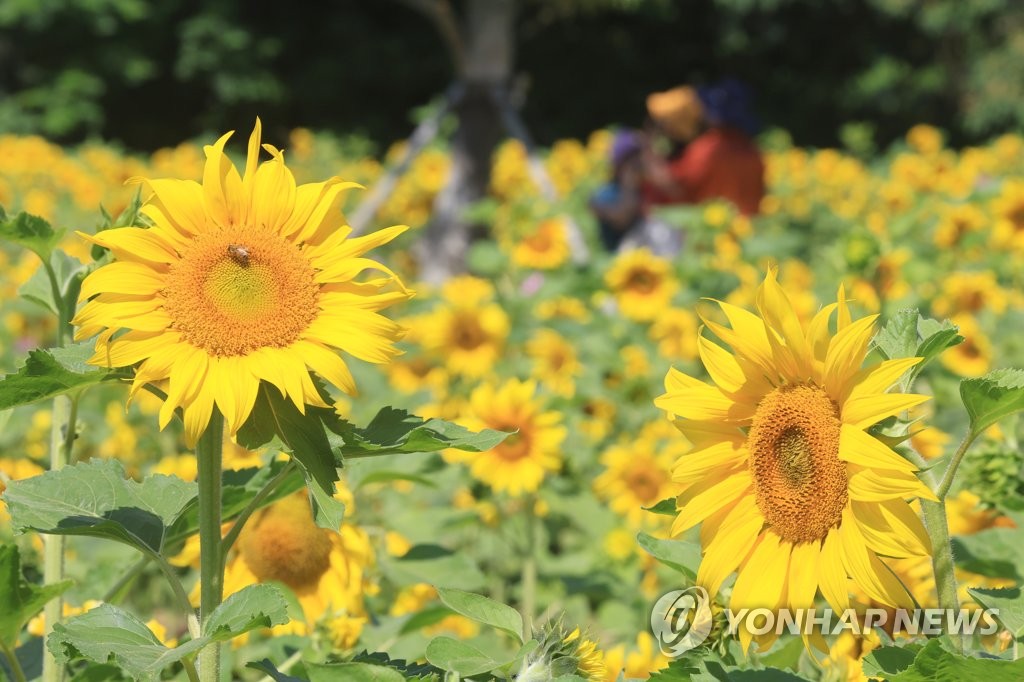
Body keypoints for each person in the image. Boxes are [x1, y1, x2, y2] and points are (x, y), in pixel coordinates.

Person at [643, 79, 765, 216]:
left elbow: (675, 187)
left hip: (714, 231)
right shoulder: (754, 151)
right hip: (748, 230)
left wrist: (649, 153)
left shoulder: (708, 149)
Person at [590, 130, 645, 252]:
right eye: (632, 161)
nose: (639, 165)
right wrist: (629, 184)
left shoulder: (646, 186)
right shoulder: (605, 194)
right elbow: (622, 219)